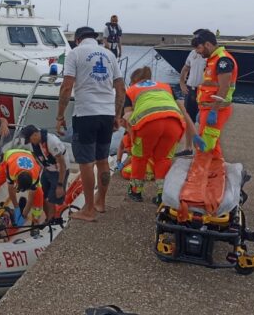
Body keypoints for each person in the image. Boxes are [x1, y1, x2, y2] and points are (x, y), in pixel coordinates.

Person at [57, 26, 125, 222]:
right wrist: (117, 115)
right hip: (106, 114)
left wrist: (60, 116)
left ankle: (88, 209)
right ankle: (100, 203)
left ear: (78, 39)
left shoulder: (75, 54)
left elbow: (66, 87)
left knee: (86, 163)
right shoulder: (109, 54)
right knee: (102, 160)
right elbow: (120, 88)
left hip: (86, 114)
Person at [121, 66, 185, 204]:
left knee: (140, 157)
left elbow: (128, 117)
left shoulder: (131, 90)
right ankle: (162, 195)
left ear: (133, 80)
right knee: (163, 159)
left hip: (148, 124)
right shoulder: (165, 86)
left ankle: (135, 192)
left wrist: (133, 140)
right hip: (174, 123)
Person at [191, 29, 237, 161]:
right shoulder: (213, 59)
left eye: (198, 48)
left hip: (216, 109)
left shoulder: (223, 60)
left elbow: (224, 87)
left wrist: (214, 110)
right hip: (208, 108)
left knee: (205, 146)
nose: (197, 52)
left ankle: (201, 175)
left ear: (207, 44)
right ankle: (216, 169)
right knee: (212, 144)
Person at [0, 148, 44, 225]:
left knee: (39, 194)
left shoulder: (35, 177)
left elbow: (31, 198)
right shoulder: (11, 172)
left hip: (28, 156)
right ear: (16, 180)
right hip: (10, 159)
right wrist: (17, 208)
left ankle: (36, 219)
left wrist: (23, 215)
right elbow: (11, 191)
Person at [20, 125, 70, 220]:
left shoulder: (52, 142)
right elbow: (37, 159)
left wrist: (60, 185)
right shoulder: (35, 143)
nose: (30, 143)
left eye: (30, 140)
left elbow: (62, 165)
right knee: (43, 194)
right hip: (47, 170)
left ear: (35, 134)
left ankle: (52, 220)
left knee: (51, 199)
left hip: (59, 171)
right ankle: (49, 218)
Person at [177, 32, 207, 156]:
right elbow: (185, 68)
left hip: (203, 91)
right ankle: (188, 148)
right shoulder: (192, 53)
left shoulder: (209, 56)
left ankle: (202, 149)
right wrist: (182, 83)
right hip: (191, 89)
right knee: (189, 119)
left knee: (203, 121)